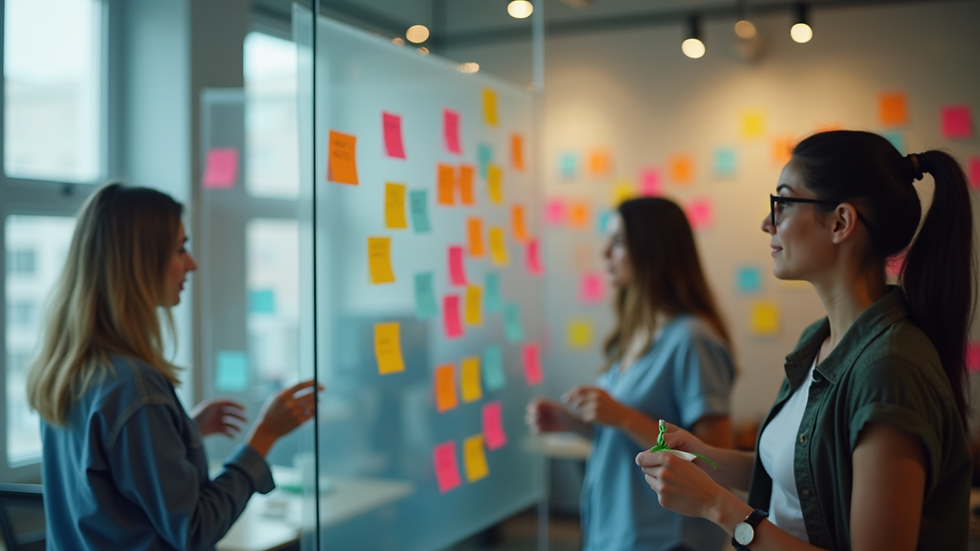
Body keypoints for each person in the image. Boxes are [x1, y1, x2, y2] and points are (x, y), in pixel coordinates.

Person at [636, 130, 975, 551]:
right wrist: (703, 457)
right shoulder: (820, 342)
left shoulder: (890, 371)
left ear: (840, 222)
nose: (768, 223)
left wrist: (714, 505)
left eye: (783, 202)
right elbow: (802, 476)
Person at [26, 183, 321, 551]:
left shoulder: (72, 369)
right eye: (180, 249)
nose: (191, 264)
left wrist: (183, 430)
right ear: (139, 264)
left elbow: (107, 478)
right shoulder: (135, 389)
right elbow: (195, 529)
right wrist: (264, 435)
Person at [527, 197, 736, 551]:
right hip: (613, 531)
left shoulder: (693, 340)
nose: (605, 252)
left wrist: (621, 416)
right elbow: (624, 438)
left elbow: (712, 462)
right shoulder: (634, 336)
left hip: (665, 540)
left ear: (654, 251)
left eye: (619, 242)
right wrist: (573, 423)